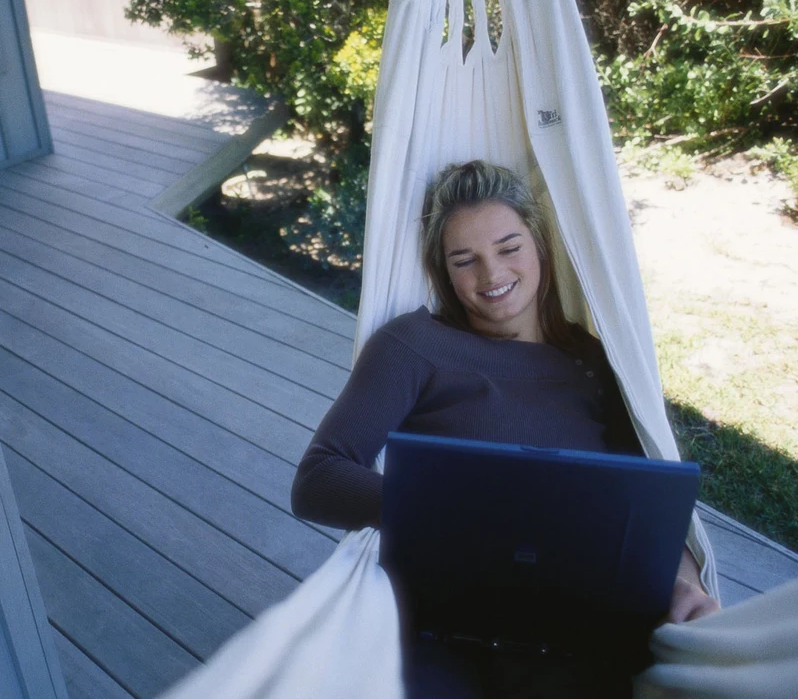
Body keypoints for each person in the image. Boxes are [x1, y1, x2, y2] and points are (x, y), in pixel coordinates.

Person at [291, 160, 718, 698]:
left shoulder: (596, 363)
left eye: (509, 248)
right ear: (443, 272)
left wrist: (688, 584)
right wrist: (458, 512)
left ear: (541, 243)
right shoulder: (414, 345)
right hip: (440, 620)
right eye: (464, 260)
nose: (491, 276)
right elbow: (318, 478)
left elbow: (651, 500)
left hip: (578, 625)